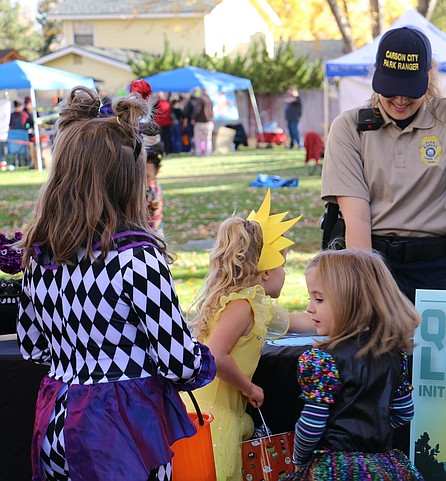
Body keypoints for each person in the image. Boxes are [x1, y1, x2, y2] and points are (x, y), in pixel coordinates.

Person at [16, 86, 216, 481]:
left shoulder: (40, 253)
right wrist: (205, 360)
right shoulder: (135, 258)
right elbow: (179, 361)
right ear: (126, 182)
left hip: (56, 420)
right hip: (118, 428)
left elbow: (33, 344)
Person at [321, 27, 446, 302]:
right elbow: (357, 217)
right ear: (376, 75)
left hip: (436, 267)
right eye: (391, 90)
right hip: (373, 262)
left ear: (428, 76)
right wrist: (367, 292)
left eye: (410, 91)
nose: (400, 100)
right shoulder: (349, 128)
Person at [188, 189, 313, 481]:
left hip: (226, 412)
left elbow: (300, 321)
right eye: (283, 265)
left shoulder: (258, 305)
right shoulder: (242, 306)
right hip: (212, 415)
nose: (285, 273)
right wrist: (249, 388)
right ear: (267, 272)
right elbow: (215, 356)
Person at [288, 249, 423, 480]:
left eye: (318, 299)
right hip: (382, 465)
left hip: (334, 467)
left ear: (350, 301)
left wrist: (299, 460)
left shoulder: (321, 359)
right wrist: (374, 427)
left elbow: (311, 426)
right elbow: (404, 411)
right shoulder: (395, 354)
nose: (310, 308)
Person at [142, 121, 165, 237]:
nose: (141, 182)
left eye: (146, 176)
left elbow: (154, 224)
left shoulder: (154, 192)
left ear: (158, 170)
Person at [184, 87, 214, 156]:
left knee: (198, 139)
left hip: (200, 122)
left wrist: (193, 118)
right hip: (208, 122)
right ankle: (207, 153)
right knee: (208, 139)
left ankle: (199, 153)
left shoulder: (200, 99)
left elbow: (197, 110)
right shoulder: (209, 99)